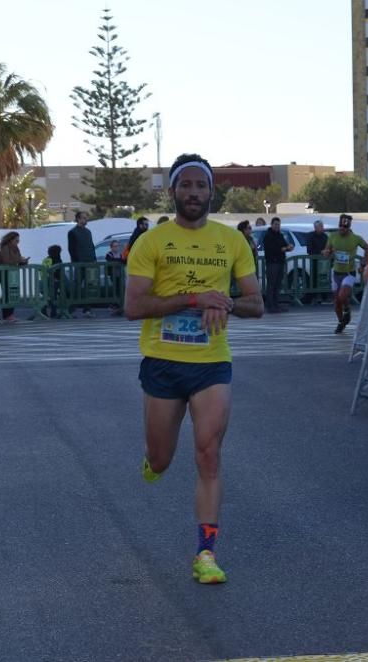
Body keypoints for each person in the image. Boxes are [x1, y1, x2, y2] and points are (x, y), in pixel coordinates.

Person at [124, 153, 263, 584]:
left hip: (211, 364)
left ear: (211, 192)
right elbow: (133, 307)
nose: (194, 193)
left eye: (201, 186)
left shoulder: (232, 242)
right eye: (185, 185)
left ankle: (206, 554)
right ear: (173, 192)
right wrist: (192, 300)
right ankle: (153, 461)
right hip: (164, 363)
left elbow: (256, 304)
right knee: (163, 459)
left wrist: (226, 303)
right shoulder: (152, 242)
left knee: (208, 453)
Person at [323, 214, 368, 333]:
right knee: (336, 302)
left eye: (344, 227)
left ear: (349, 228)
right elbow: (327, 251)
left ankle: (347, 309)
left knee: (342, 296)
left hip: (349, 273)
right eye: (340, 227)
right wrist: (327, 252)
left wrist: (363, 264)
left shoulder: (355, 238)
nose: (342, 229)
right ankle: (341, 321)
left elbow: (367, 248)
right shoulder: (333, 236)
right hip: (336, 272)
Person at [68, 211, 96, 318]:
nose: (85, 220)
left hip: (90, 263)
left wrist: (94, 259)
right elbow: (72, 249)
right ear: (78, 219)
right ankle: (70, 308)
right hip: (79, 263)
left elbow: (91, 246)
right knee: (77, 285)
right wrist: (76, 262)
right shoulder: (73, 232)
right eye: (83, 218)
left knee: (90, 286)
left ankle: (87, 309)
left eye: (86, 218)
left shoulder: (88, 232)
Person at [262, 217, 291, 313]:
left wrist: (288, 247)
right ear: (271, 225)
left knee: (278, 284)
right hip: (272, 263)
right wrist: (282, 249)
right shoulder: (268, 236)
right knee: (271, 285)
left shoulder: (280, 235)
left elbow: (284, 245)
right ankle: (270, 305)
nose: (277, 226)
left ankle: (276, 304)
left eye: (278, 225)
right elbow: (271, 249)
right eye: (275, 224)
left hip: (280, 262)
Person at [42, 244, 63, 317]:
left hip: (44, 281)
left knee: (47, 296)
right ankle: (53, 312)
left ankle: (43, 310)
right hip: (54, 281)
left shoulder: (46, 259)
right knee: (53, 296)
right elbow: (58, 271)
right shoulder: (57, 259)